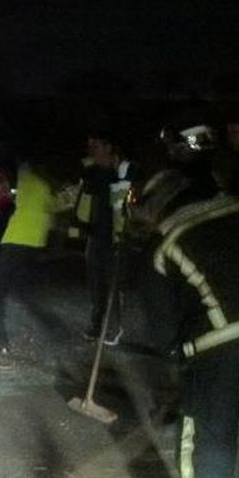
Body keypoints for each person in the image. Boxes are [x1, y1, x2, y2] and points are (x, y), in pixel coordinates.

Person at [132, 123, 239, 478]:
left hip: (220, 346)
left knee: (209, 440)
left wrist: (180, 365)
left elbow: (164, 328)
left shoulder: (165, 243)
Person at [0, 160, 58, 353]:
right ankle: (47, 329)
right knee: (12, 284)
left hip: (17, 238)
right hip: (35, 242)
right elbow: (52, 212)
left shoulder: (19, 181)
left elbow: (3, 198)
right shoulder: (43, 185)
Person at [69, 130, 139, 344]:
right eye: (90, 145)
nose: (91, 150)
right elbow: (75, 195)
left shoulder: (126, 170)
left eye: (96, 145)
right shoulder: (89, 172)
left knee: (115, 284)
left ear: (109, 147)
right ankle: (96, 324)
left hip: (117, 237)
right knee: (96, 284)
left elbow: (130, 204)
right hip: (95, 236)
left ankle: (114, 329)